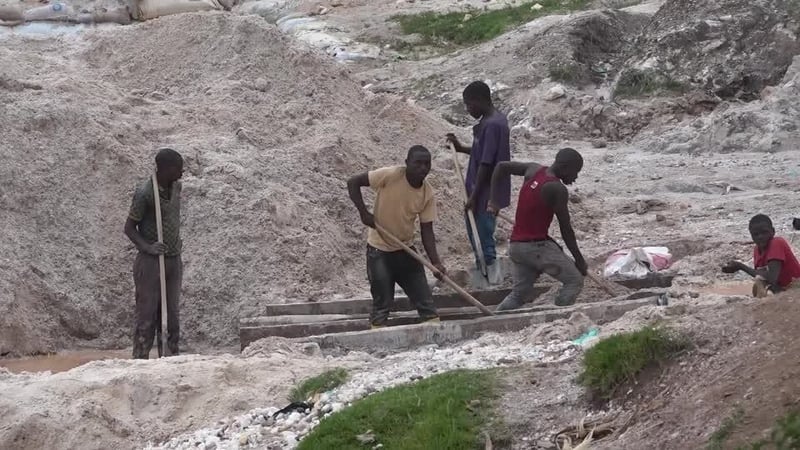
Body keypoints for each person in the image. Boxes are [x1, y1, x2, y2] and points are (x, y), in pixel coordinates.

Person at [347, 145, 447, 328]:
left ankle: (435, 334)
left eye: (427, 164)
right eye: (418, 163)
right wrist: (363, 213)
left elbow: (427, 230)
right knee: (382, 305)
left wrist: (435, 263)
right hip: (379, 250)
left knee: (426, 304)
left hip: (405, 249)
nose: (423, 168)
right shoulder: (391, 175)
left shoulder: (427, 193)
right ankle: (377, 338)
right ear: (407, 163)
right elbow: (353, 182)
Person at [486, 148, 587, 310]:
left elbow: (501, 167)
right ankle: (559, 317)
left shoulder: (533, 170)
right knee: (574, 281)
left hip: (517, 247)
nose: (575, 178)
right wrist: (580, 261)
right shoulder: (557, 189)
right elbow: (566, 229)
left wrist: (493, 200)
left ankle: (496, 319)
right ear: (566, 167)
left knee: (519, 294)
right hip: (535, 249)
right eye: (575, 172)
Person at [446, 80, 511, 282]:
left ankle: (490, 277)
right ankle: (483, 270)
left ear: (481, 100)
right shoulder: (489, 122)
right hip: (480, 189)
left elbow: (486, 163)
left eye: (469, 104)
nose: (468, 109)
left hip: (484, 191)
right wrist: (459, 146)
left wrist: (474, 196)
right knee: (477, 233)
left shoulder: (493, 125)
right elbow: (481, 152)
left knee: (482, 234)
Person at [124, 148, 184, 358]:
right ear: (166, 169)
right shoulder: (145, 193)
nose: (182, 173)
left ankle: (169, 359)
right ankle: (140, 361)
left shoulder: (177, 187)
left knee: (171, 317)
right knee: (147, 316)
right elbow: (129, 228)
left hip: (173, 261)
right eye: (178, 169)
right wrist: (147, 247)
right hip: (150, 263)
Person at [722, 214, 800, 297]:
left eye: (764, 232)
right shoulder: (757, 250)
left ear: (773, 232)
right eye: (756, 234)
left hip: (796, 286)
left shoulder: (777, 243)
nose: (760, 237)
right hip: (785, 287)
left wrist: (741, 267)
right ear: (751, 236)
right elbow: (762, 276)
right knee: (759, 284)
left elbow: (771, 277)